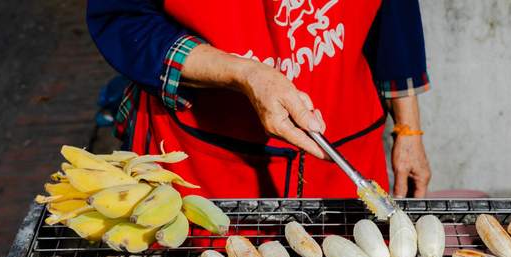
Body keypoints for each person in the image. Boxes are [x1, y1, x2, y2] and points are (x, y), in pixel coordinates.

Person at [88, 0, 431, 199]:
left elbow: (395, 14)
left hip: (344, 147)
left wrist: (408, 130)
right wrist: (244, 74)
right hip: (207, 160)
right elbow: (124, 18)